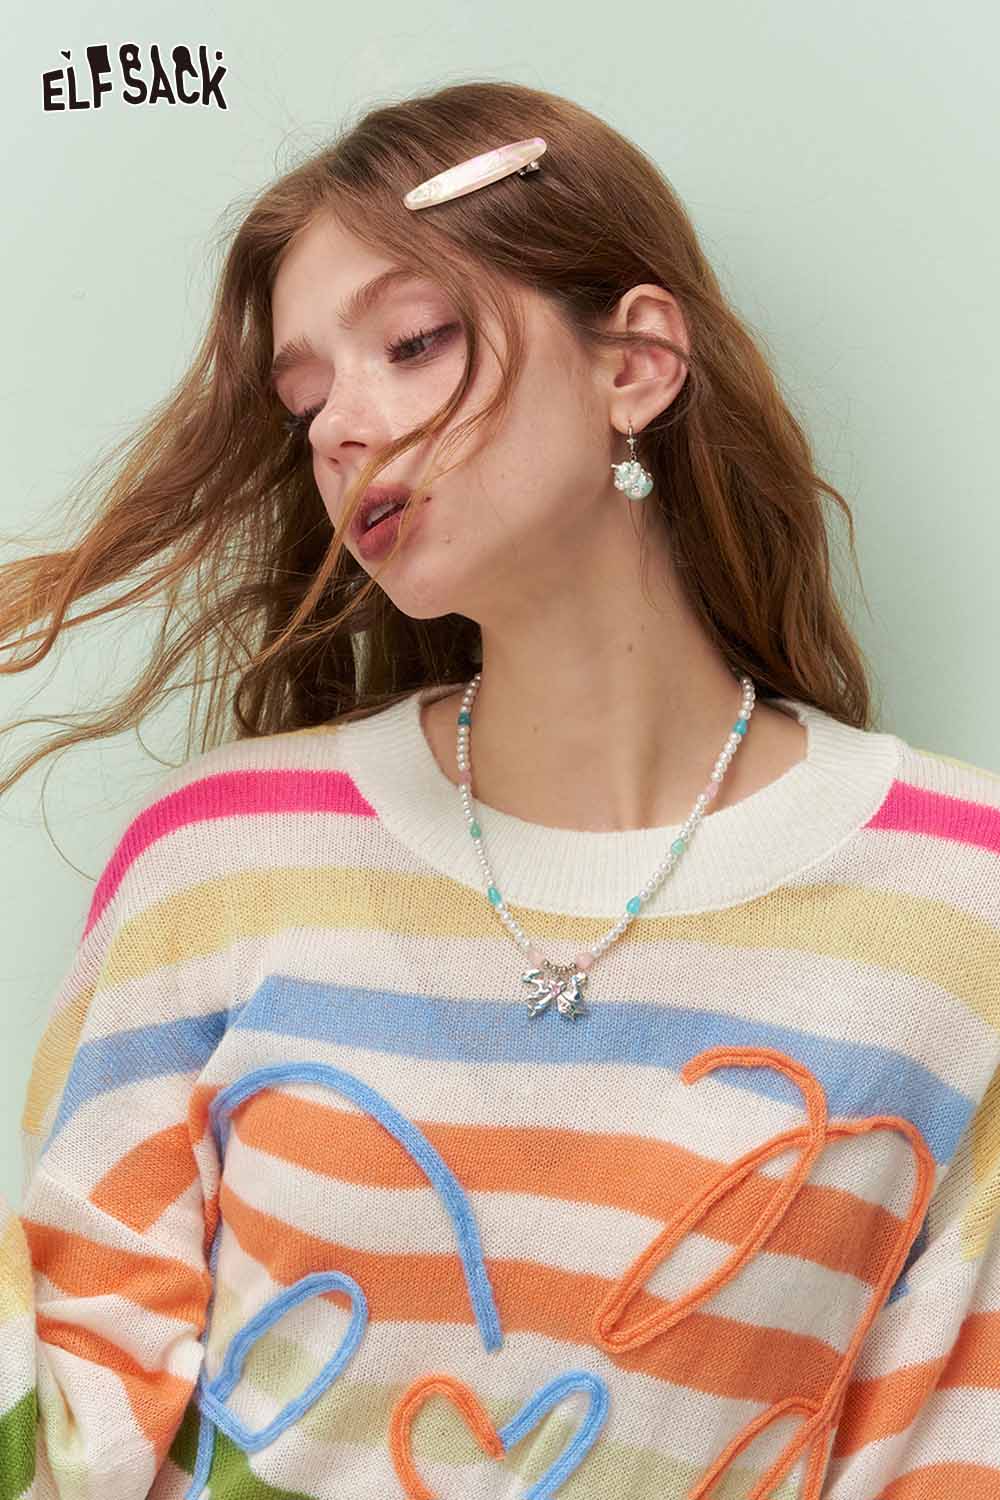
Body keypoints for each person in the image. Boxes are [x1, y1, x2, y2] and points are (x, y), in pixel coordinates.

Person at [1, 78, 997, 1500]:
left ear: (635, 364)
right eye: (306, 399)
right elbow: (68, 1415)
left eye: (413, 343)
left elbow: (953, 1448)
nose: (339, 428)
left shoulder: (962, 902)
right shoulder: (215, 859)